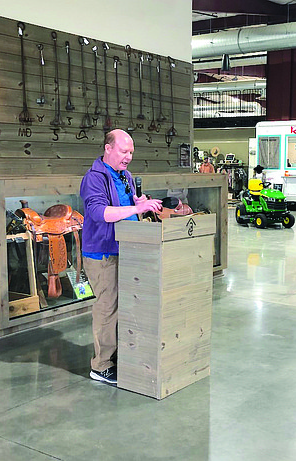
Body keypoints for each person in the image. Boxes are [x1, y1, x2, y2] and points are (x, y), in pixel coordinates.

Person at [80, 129, 163, 385]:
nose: (128, 157)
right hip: (102, 253)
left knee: (122, 306)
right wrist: (136, 208)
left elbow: (125, 209)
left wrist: (139, 202)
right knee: (107, 307)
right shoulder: (94, 178)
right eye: (124, 151)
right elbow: (100, 213)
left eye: (131, 153)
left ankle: (118, 355)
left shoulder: (123, 175)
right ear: (108, 148)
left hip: (124, 249)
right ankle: (101, 365)